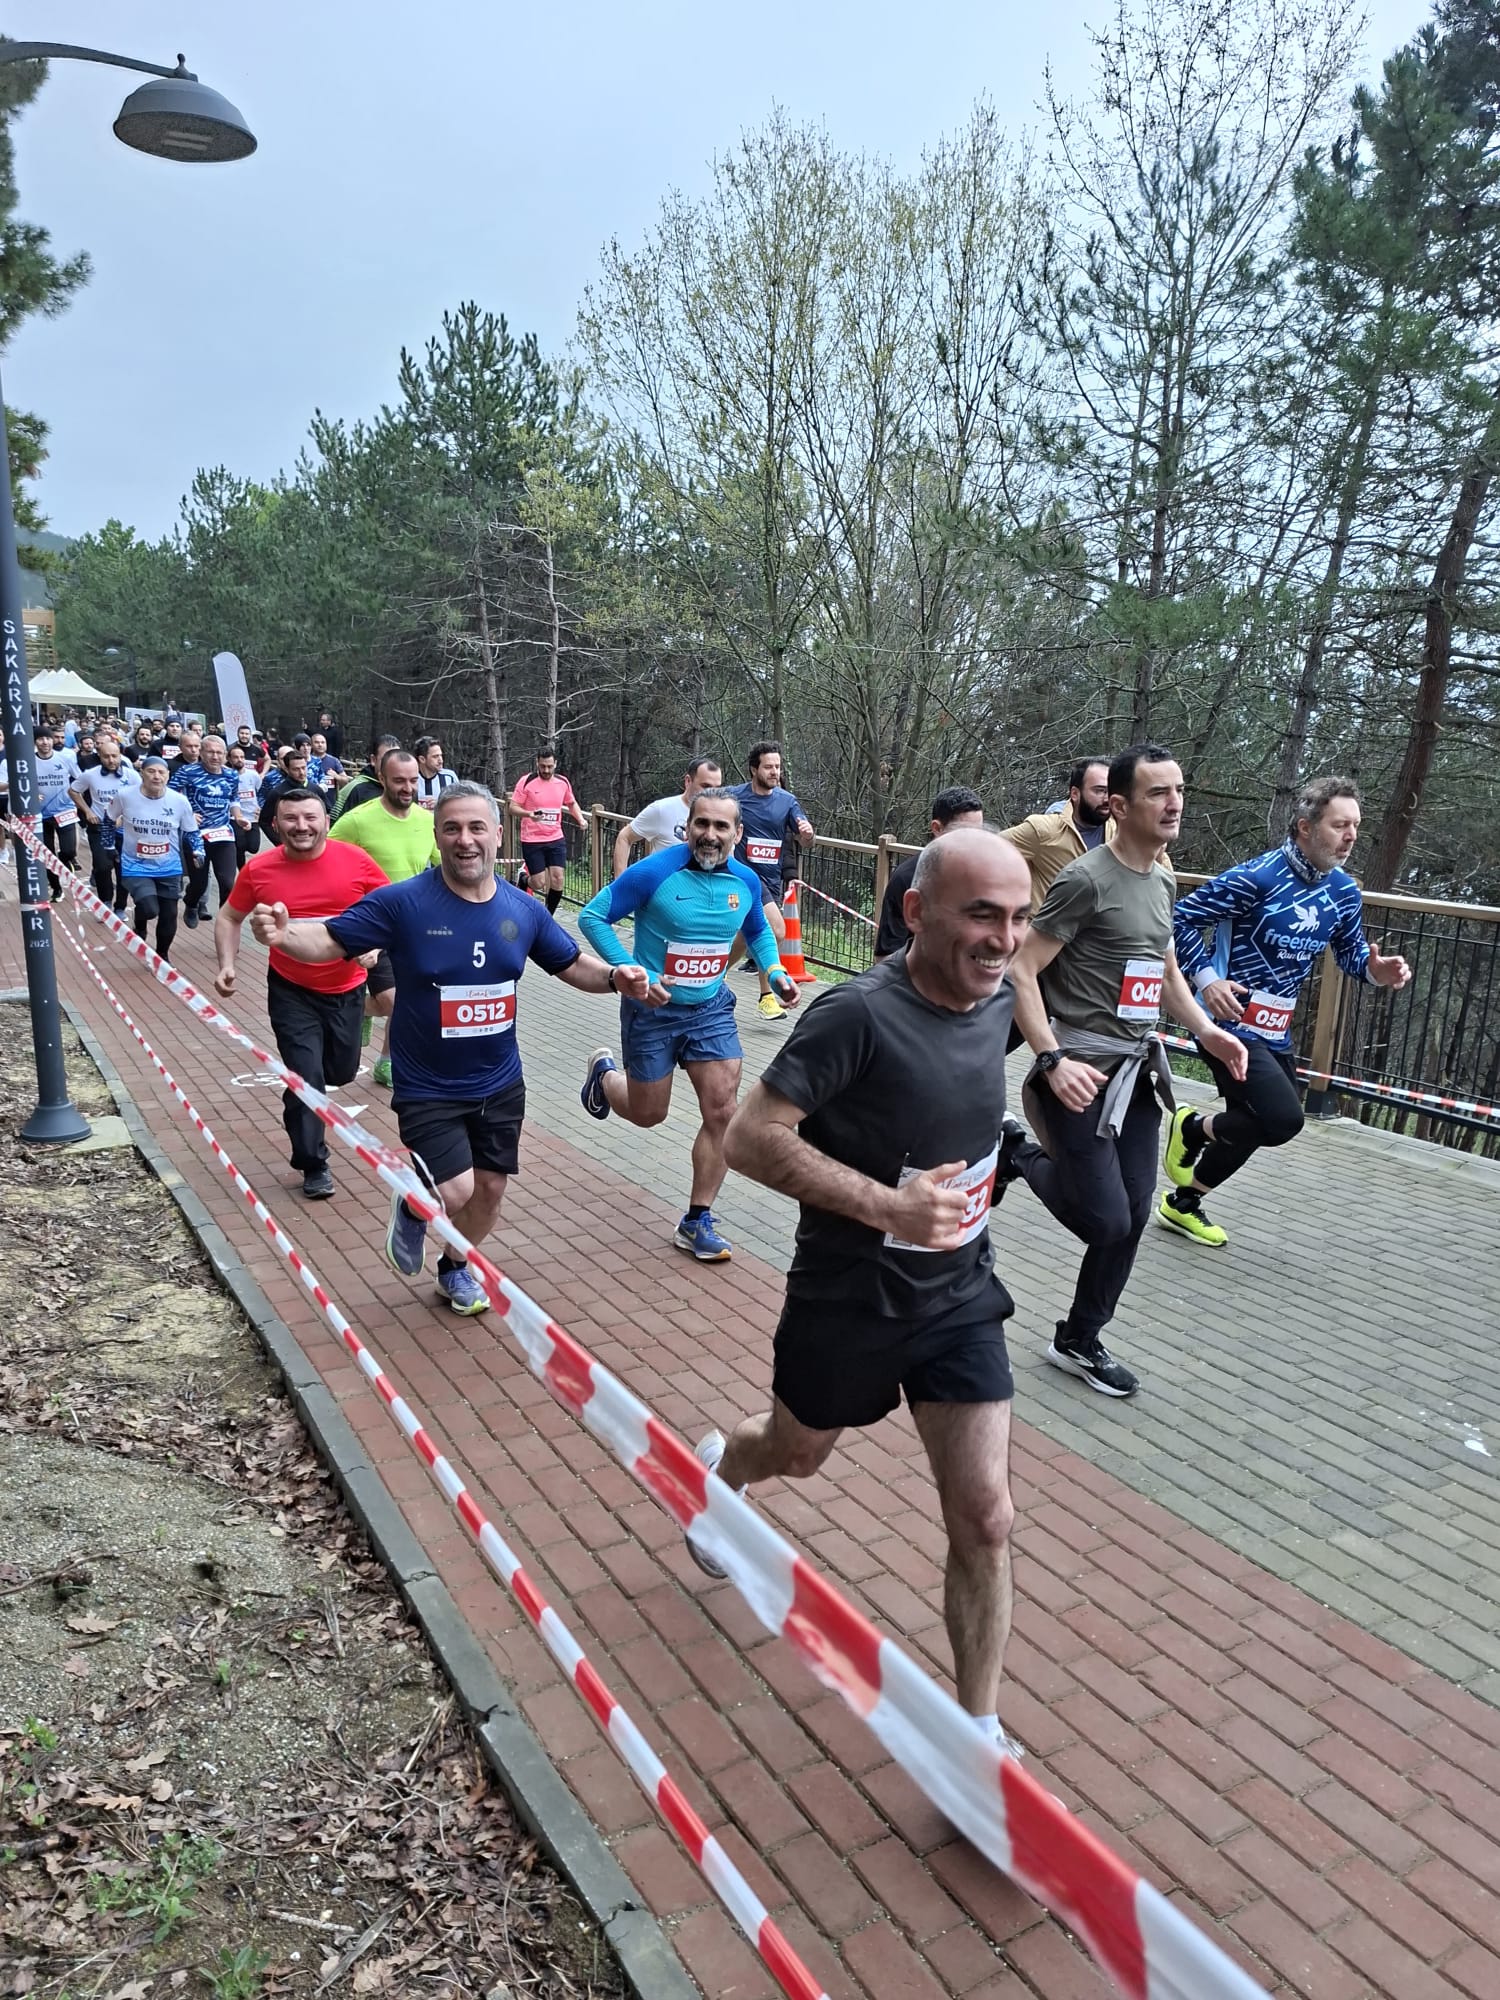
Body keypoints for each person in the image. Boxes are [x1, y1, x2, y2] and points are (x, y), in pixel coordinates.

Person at [694, 828, 1033, 1756]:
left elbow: (988, 1065)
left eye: (1016, 918)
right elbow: (751, 1139)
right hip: (849, 1294)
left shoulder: (998, 995)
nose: (1002, 939)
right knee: (797, 1455)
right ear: (917, 913)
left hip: (960, 1293)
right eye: (981, 915)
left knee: (987, 1513)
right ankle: (727, 1470)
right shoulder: (858, 1014)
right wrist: (892, 1207)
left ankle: (978, 1733)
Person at [249, 783, 651, 1313]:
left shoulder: (522, 909)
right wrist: (283, 934)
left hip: (500, 1082)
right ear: (437, 836)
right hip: (428, 1084)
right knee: (456, 1190)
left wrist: (618, 977)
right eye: (452, 829)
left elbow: (570, 963)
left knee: (488, 1192)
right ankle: (416, 1206)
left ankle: (456, 1268)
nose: (465, 840)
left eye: (476, 827)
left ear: (497, 834)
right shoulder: (404, 902)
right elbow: (330, 939)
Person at [1004, 744, 1248, 1398]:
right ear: (1117, 805)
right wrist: (1050, 1058)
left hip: (1136, 1074)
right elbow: (1021, 971)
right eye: (1157, 793)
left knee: (1134, 1215)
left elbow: (1163, 971)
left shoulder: (1163, 877)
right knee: (1105, 1220)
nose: (1174, 803)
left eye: (1178, 791)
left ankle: (1079, 1338)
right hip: (1078, 1070)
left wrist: (1206, 1032)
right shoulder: (1086, 879)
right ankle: (1015, 1151)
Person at [1162, 776, 1413, 1244]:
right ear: (1304, 827)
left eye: (1356, 825)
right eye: (1340, 825)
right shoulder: (1256, 877)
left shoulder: (1342, 892)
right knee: (1282, 1119)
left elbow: (1353, 956)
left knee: (1252, 1123)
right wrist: (1206, 980)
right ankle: (1192, 1128)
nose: (1352, 836)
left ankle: (1184, 1202)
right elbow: (1176, 919)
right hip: (1228, 1021)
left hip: (1276, 1028)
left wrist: (1377, 972)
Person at [579, 788, 800, 1261]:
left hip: (709, 1008)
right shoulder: (655, 872)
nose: (710, 835)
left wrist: (776, 971)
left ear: (738, 834)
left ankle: (697, 1219)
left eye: (722, 827)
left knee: (723, 1111)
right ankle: (605, 1076)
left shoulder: (745, 880)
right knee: (648, 1113)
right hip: (651, 1011)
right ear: (688, 827)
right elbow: (593, 917)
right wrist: (629, 972)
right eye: (703, 824)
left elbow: (758, 930)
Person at [216, 786, 390, 1200]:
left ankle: (306, 1096)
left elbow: (388, 912)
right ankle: (313, 1163)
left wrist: (374, 947)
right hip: (291, 991)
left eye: (310, 818)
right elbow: (228, 916)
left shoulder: (356, 862)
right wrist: (227, 963)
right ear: (275, 825)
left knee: (339, 1073)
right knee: (306, 1078)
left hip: (347, 989)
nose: (301, 827)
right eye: (291, 819)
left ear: (326, 821)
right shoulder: (260, 870)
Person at [330, 751, 437, 1089]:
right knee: (396, 1000)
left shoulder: (425, 820)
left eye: (412, 781)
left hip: (414, 926)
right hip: (371, 925)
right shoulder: (357, 821)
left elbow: (441, 864)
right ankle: (360, 1007)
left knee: (411, 998)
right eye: (398, 781)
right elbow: (325, 861)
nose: (407, 788)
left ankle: (387, 1060)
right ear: (381, 777)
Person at [728, 741, 815, 1020]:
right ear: (754, 769)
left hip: (771, 879)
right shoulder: (734, 796)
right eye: (768, 766)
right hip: (743, 876)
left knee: (752, 933)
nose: (775, 771)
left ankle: (718, 976)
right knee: (775, 931)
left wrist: (807, 832)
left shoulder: (787, 801)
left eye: (777, 766)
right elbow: (707, 808)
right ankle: (764, 994)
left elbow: (806, 840)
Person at [108, 755, 204, 955]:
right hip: (135, 864)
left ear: (168, 776)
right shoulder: (125, 795)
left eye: (161, 772)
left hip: (168, 865)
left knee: (169, 914)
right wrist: (108, 846)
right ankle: (141, 924)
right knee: (150, 908)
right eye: (151, 771)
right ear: (142, 773)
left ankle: (162, 956)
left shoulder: (179, 801)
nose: (156, 776)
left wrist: (198, 850)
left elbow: (192, 831)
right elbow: (107, 820)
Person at [875, 786, 986, 960]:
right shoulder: (907, 879)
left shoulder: (985, 876)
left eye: (978, 834)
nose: (973, 842)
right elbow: (885, 957)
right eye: (964, 833)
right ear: (937, 828)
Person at [1002, 758, 1115, 911]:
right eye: (1099, 791)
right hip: (1047, 932)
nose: (1107, 799)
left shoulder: (1121, 831)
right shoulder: (1043, 830)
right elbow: (990, 850)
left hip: (1098, 933)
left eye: (1111, 791)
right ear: (1075, 793)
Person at [610, 756, 724, 877]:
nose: (712, 793)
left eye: (717, 788)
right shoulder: (662, 810)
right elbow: (625, 837)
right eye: (705, 786)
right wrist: (620, 882)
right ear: (688, 781)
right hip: (666, 891)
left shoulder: (723, 818)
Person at [179, 735, 250, 928]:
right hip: (196, 834)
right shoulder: (187, 772)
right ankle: (191, 903)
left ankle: (226, 926)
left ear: (226, 756)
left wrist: (239, 816)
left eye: (219, 753)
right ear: (201, 754)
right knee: (199, 884)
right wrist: (187, 813)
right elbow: (169, 795)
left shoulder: (231, 775)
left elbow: (233, 799)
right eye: (210, 752)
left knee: (228, 883)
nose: (215, 756)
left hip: (223, 833)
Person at [71, 730, 140, 915]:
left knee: (123, 869)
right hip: (99, 827)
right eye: (106, 756)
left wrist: (125, 816)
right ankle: (105, 902)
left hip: (125, 829)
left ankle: (120, 907)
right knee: (102, 866)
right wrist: (87, 810)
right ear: (99, 756)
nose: (111, 760)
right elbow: (73, 791)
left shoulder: (132, 775)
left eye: (114, 756)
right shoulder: (90, 774)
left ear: (120, 755)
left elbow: (141, 798)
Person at [511, 745, 586, 913]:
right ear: (537, 763)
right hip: (532, 839)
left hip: (555, 837)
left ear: (556, 764)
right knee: (539, 883)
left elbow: (571, 803)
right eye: (543, 766)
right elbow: (513, 807)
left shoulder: (562, 782)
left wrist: (580, 819)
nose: (546, 770)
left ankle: (547, 916)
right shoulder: (527, 781)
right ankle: (523, 879)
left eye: (550, 766)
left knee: (558, 879)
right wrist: (529, 814)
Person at [32, 729, 83, 901]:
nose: (45, 742)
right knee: (47, 855)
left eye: (48, 738)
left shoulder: (66, 758)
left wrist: (74, 794)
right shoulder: (29, 760)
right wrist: (32, 794)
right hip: (41, 814)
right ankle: (56, 888)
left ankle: (62, 861)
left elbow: (80, 779)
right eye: (40, 739)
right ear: (35, 742)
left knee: (68, 851)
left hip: (65, 810)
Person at [332, 735, 402, 820]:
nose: (392, 764)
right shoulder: (355, 789)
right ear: (373, 760)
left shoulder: (406, 788)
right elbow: (333, 824)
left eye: (397, 759)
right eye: (386, 759)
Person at [258, 746, 311, 839]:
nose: (301, 772)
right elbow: (264, 819)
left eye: (303, 768)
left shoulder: (313, 788)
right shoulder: (276, 789)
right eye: (296, 769)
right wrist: (279, 842)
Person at [227, 743, 264, 865]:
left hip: (252, 816)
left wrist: (260, 807)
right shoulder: (227, 776)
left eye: (242, 757)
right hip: (235, 817)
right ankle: (242, 871)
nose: (239, 760)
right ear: (230, 759)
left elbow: (260, 792)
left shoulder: (253, 775)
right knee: (240, 846)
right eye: (236, 757)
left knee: (254, 847)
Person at [413, 735, 460, 808]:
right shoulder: (411, 778)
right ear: (422, 759)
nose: (441, 760)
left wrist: (440, 805)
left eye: (441, 756)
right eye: (435, 756)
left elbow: (460, 804)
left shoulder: (449, 777)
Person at [308, 730, 351, 797]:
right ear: (311, 745)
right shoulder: (306, 760)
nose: (320, 745)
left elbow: (346, 781)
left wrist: (336, 776)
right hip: (311, 800)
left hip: (330, 803)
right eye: (317, 742)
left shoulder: (334, 761)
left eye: (323, 742)